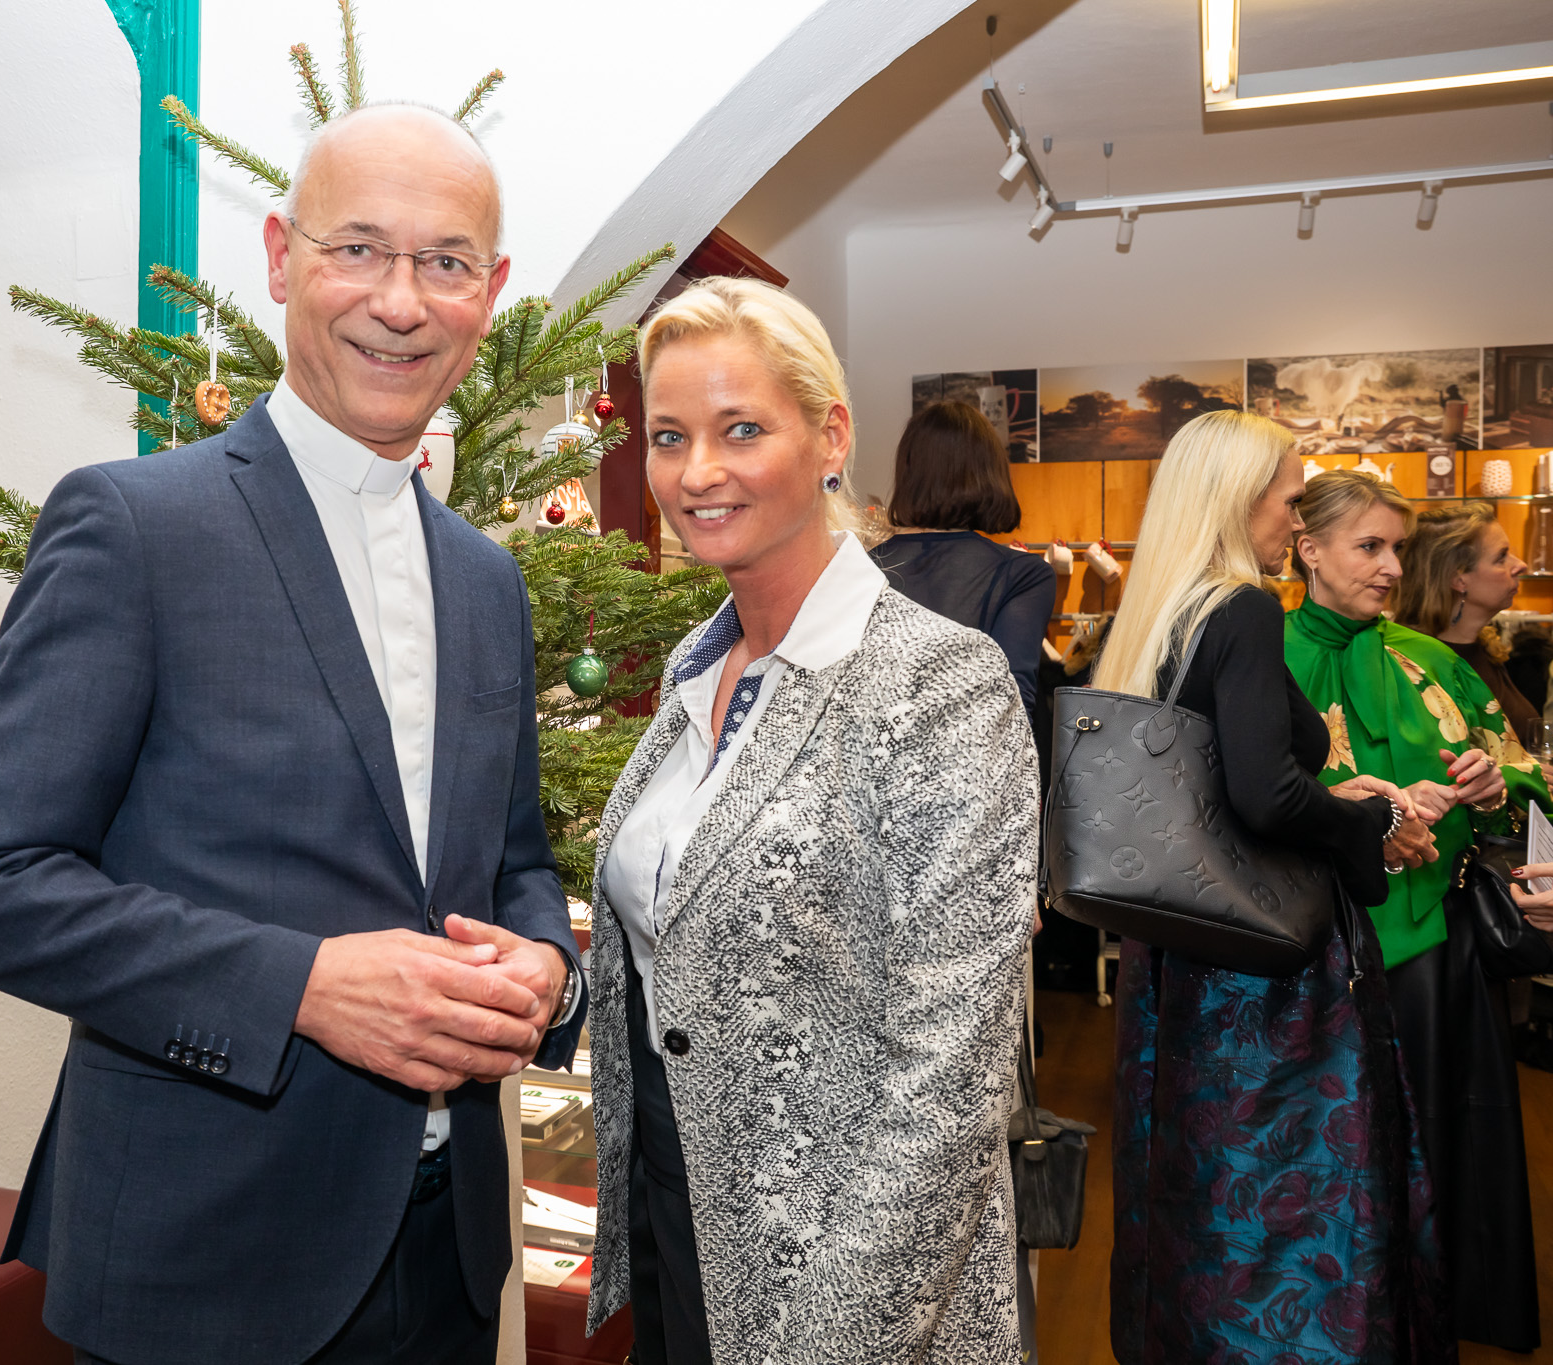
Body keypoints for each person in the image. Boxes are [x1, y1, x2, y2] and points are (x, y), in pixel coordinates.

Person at [0, 104, 585, 1365]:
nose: (400, 302)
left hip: (444, 1262)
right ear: (279, 259)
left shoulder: (487, 580)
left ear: (487, 295)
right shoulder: (135, 527)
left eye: (444, 262)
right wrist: (301, 988)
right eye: (357, 249)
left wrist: (547, 969)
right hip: (201, 1270)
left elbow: (517, 865)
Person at [584, 276, 1037, 1364]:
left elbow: (950, 1078)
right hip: (675, 1217)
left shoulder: (940, 685)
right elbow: (672, 944)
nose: (697, 471)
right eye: (669, 436)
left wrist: (838, 1338)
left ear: (830, 436)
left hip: (845, 1278)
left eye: (741, 429)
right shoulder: (696, 672)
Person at [1103, 417, 1450, 1364]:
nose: (1297, 521)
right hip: (1262, 973)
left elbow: (1213, 783)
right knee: (1296, 1202)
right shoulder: (1243, 608)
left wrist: (1326, 793)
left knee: (1198, 1187)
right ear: (1237, 497)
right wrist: (1367, 818)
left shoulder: (1161, 612)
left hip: (1174, 960)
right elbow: (1264, 794)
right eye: (1291, 499)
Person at [1287, 468, 1551, 1353]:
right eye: (1370, 546)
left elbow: (1522, 781)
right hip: (1314, 951)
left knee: (1436, 1141)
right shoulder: (1264, 656)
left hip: (1436, 949)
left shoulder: (1429, 660)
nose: (1394, 567)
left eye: (1397, 547)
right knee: (1333, 1151)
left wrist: (1493, 783)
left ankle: (1429, 1318)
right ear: (1308, 548)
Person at [870, 400, 1054, 716]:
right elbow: (1010, 707)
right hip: (970, 746)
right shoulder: (1023, 576)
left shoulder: (856, 569)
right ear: (990, 472)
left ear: (908, 471)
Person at [1396, 501, 1540, 750]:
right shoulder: (1416, 665)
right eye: (1501, 557)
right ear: (1458, 579)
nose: (1520, 565)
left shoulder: (1485, 648)